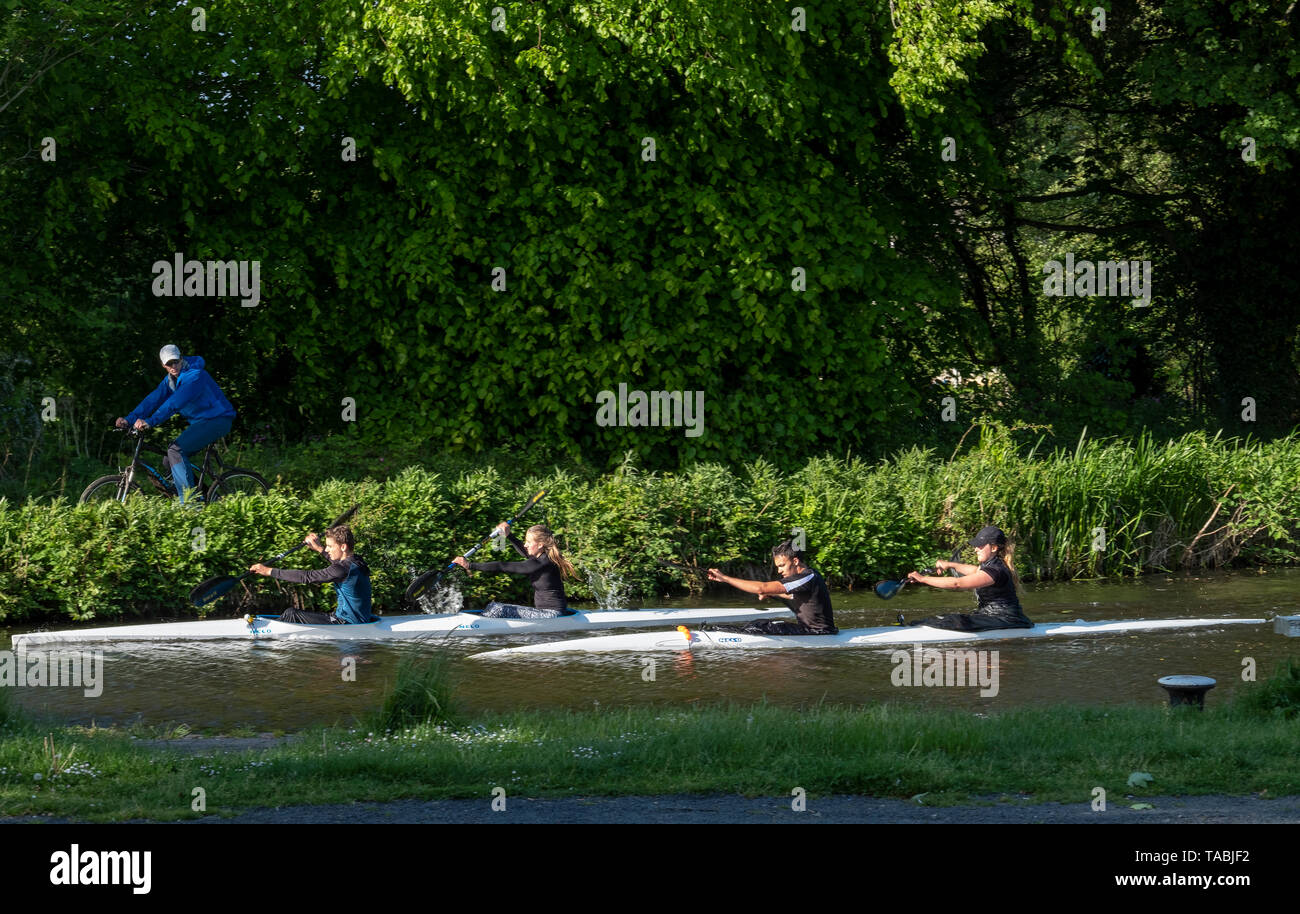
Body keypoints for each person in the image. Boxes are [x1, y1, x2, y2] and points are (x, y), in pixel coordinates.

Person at [116, 345, 236, 504]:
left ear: (181, 358)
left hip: (218, 419)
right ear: (163, 365)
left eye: (175, 361)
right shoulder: (170, 381)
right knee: (168, 460)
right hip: (203, 421)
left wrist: (150, 422)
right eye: (169, 364)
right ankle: (207, 498)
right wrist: (129, 419)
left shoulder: (195, 376)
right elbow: (152, 401)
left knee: (175, 450)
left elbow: (174, 403)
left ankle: (189, 504)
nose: (173, 366)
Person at [899, 525, 1033, 631]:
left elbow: (957, 583)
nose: (975, 549)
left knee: (955, 621)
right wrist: (950, 565)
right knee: (945, 618)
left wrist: (923, 579)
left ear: (993, 548)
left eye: (980, 545)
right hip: (991, 616)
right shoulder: (990, 566)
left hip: (1006, 619)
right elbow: (975, 570)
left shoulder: (996, 570)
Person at [706, 540, 838, 635]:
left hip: (819, 633)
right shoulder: (805, 578)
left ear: (795, 561)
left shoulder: (807, 577)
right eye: (778, 567)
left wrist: (725, 578)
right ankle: (716, 632)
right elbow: (793, 597)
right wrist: (773, 594)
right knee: (758, 623)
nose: (779, 571)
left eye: (782, 565)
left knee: (760, 626)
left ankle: (717, 634)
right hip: (808, 629)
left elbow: (761, 588)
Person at [249, 525, 373, 624]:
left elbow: (306, 576)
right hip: (352, 619)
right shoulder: (357, 561)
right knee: (291, 614)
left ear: (343, 547)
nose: (327, 550)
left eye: (329, 546)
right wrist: (319, 548)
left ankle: (265, 634)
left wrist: (268, 571)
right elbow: (338, 565)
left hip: (347, 623)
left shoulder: (342, 569)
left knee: (292, 614)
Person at [452, 523, 576, 618]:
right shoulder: (542, 558)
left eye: (529, 542)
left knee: (497, 609)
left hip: (551, 616)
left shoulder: (542, 562)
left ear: (540, 545)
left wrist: (470, 565)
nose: (526, 545)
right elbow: (524, 550)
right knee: (492, 607)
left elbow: (502, 566)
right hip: (544, 613)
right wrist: (508, 534)